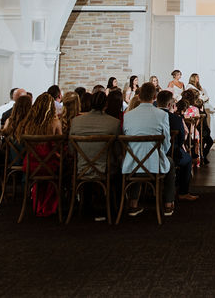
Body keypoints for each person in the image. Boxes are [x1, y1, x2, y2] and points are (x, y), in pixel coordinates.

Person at [122, 82, 174, 218]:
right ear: (155, 96)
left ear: (138, 96)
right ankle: (168, 204)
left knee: (138, 159)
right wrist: (158, 153)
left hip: (132, 164)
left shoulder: (127, 116)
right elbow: (166, 142)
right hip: (154, 164)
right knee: (171, 163)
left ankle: (133, 203)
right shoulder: (162, 115)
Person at [69, 90, 121, 221]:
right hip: (106, 170)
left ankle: (84, 205)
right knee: (118, 168)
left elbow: (71, 150)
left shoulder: (76, 122)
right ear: (106, 105)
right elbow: (118, 150)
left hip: (81, 169)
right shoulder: (113, 123)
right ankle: (115, 208)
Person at [19, 93, 62, 217]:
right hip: (49, 165)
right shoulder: (55, 123)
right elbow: (59, 145)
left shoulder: (28, 124)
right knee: (63, 168)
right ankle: (50, 205)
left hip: (31, 164)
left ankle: (37, 202)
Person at [156, 91, 198, 202]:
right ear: (169, 105)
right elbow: (180, 140)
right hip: (171, 153)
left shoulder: (152, 116)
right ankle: (183, 192)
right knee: (187, 159)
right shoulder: (175, 119)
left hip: (150, 154)